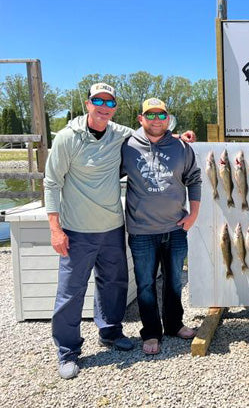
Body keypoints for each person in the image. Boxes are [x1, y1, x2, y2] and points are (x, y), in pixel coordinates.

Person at [44, 83, 195, 379]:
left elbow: (153, 135)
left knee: (113, 285)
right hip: (76, 230)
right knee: (70, 292)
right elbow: (51, 183)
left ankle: (110, 332)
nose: (103, 106)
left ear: (115, 108)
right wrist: (55, 229)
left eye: (109, 102)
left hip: (113, 226)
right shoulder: (66, 138)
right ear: (88, 103)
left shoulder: (119, 134)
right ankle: (67, 350)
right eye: (98, 100)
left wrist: (179, 136)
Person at [120, 98, 201, 355]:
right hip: (142, 231)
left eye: (161, 115)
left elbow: (194, 178)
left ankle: (175, 324)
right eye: (150, 115)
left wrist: (194, 214)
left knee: (174, 281)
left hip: (176, 227)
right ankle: (151, 332)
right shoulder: (127, 146)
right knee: (145, 284)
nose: (156, 120)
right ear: (140, 118)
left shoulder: (180, 146)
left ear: (168, 118)